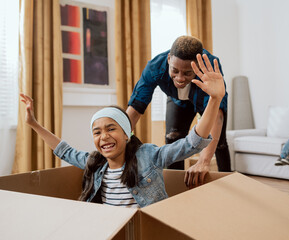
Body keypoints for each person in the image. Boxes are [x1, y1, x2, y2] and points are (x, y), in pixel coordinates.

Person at [20, 53, 225, 207]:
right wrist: (33, 124)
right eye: (97, 132)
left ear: (127, 134)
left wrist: (215, 99)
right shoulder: (95, 162)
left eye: (111, 129)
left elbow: (192, 142)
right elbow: (64, 151)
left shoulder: (149, 156)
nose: (104, 136)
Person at [126, 35, 231, 188]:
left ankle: (228, 185)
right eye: (175, 71)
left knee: (219, 143)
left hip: (205, 99)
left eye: (187, 73)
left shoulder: (210, 68)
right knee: (173, 138)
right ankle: (175, 186)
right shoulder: (155, 67)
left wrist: (203, 162)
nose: (180, 78)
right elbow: (135, 109)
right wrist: (119, 139)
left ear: (197, 67)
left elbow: (217, 117)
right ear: (169, 59)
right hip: (178, 101)